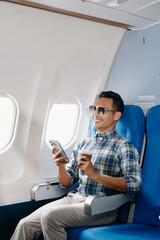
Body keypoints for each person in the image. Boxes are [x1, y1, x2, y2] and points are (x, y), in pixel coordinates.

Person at [11, 91, 142, 240]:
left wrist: (96, 175)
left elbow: (134, 184)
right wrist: (60, 166)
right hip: (74, 199)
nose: (96, 114)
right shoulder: (85, 143)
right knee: (25, 224)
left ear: (117, 115)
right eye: (94, 109)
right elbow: (66, 182)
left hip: (102, 206)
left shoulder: (123, 146)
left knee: (50, 217)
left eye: (102, 110)